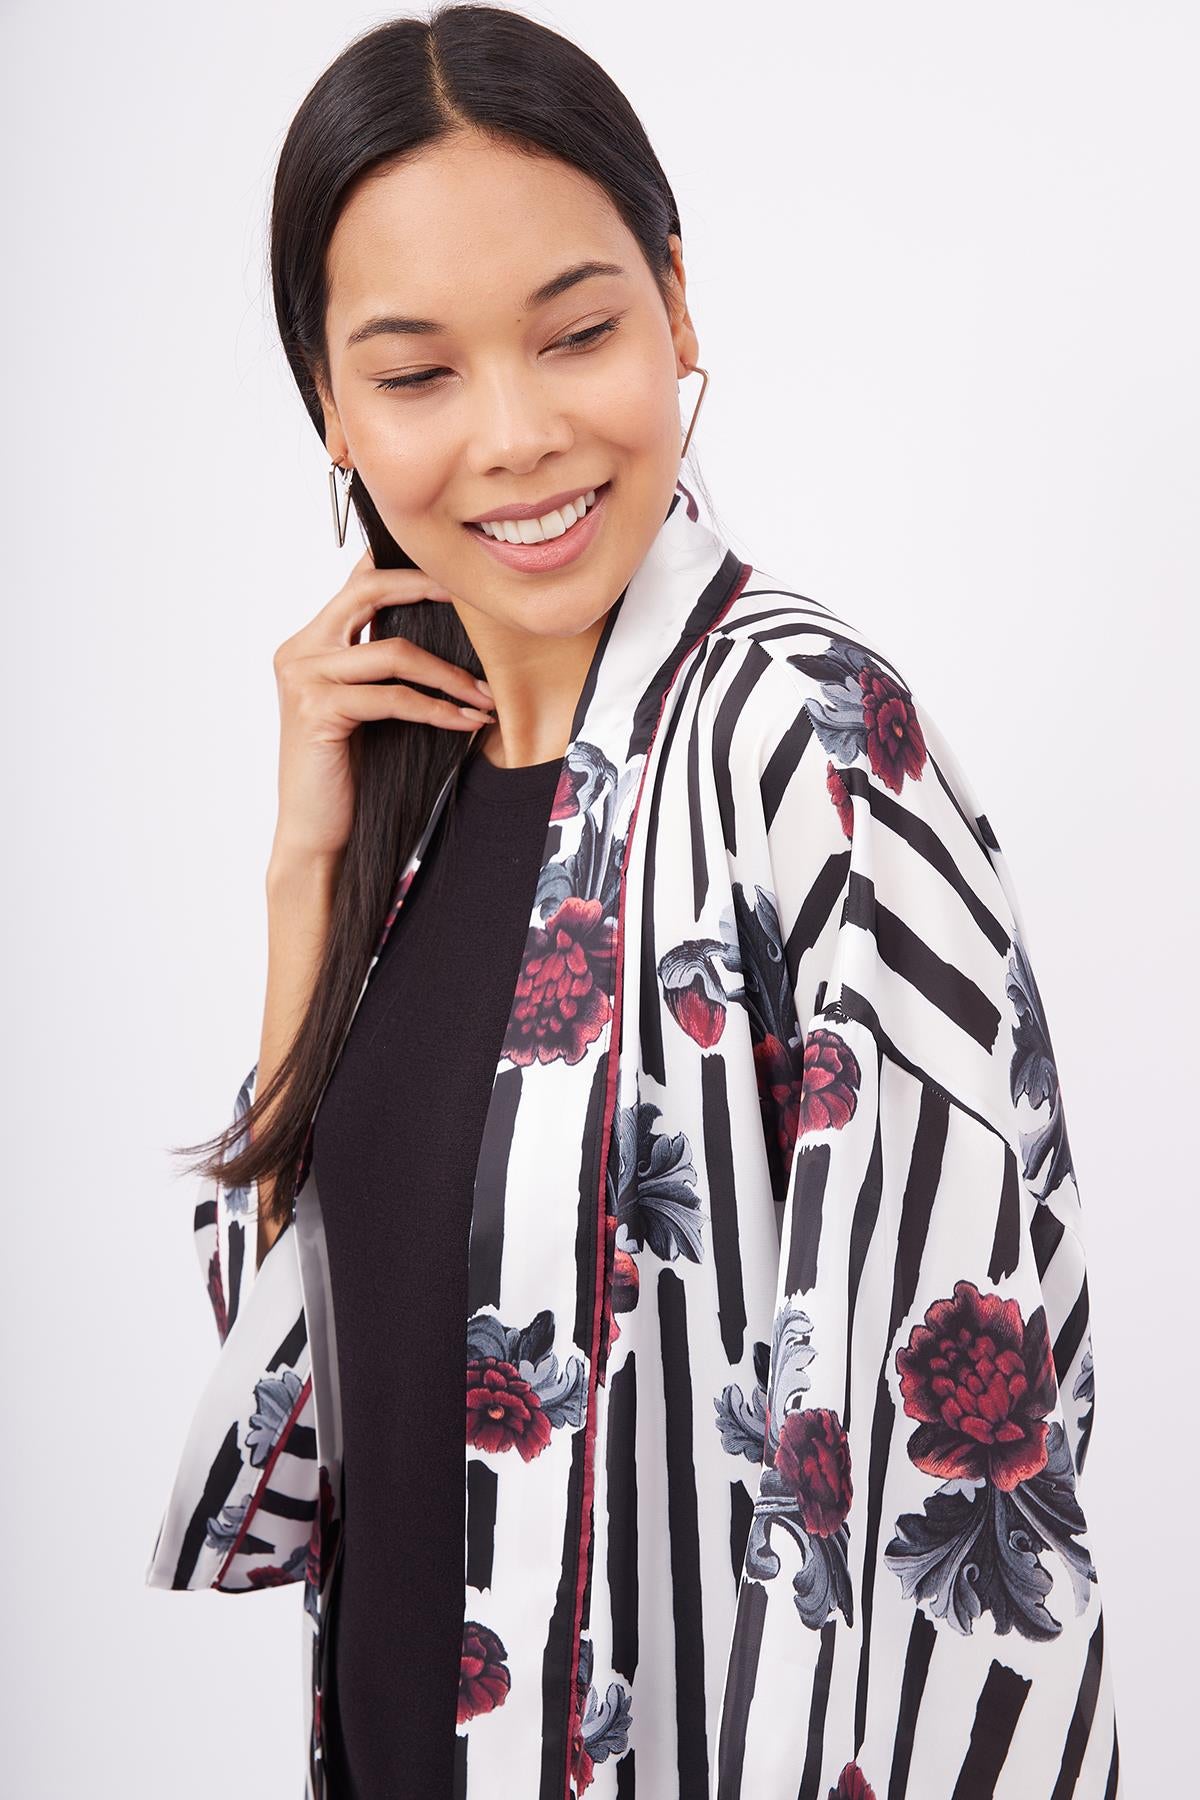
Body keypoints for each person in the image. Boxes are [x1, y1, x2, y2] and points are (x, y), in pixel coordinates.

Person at [146, 6, 1121, 1797]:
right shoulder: (406, 798)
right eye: (417, 375)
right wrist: (303, 874)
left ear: (677, 304)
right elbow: (300, 1411)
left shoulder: (813, 749)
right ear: (329, 408)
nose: (516, 436)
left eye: (578, 332)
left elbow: (971, 1477)